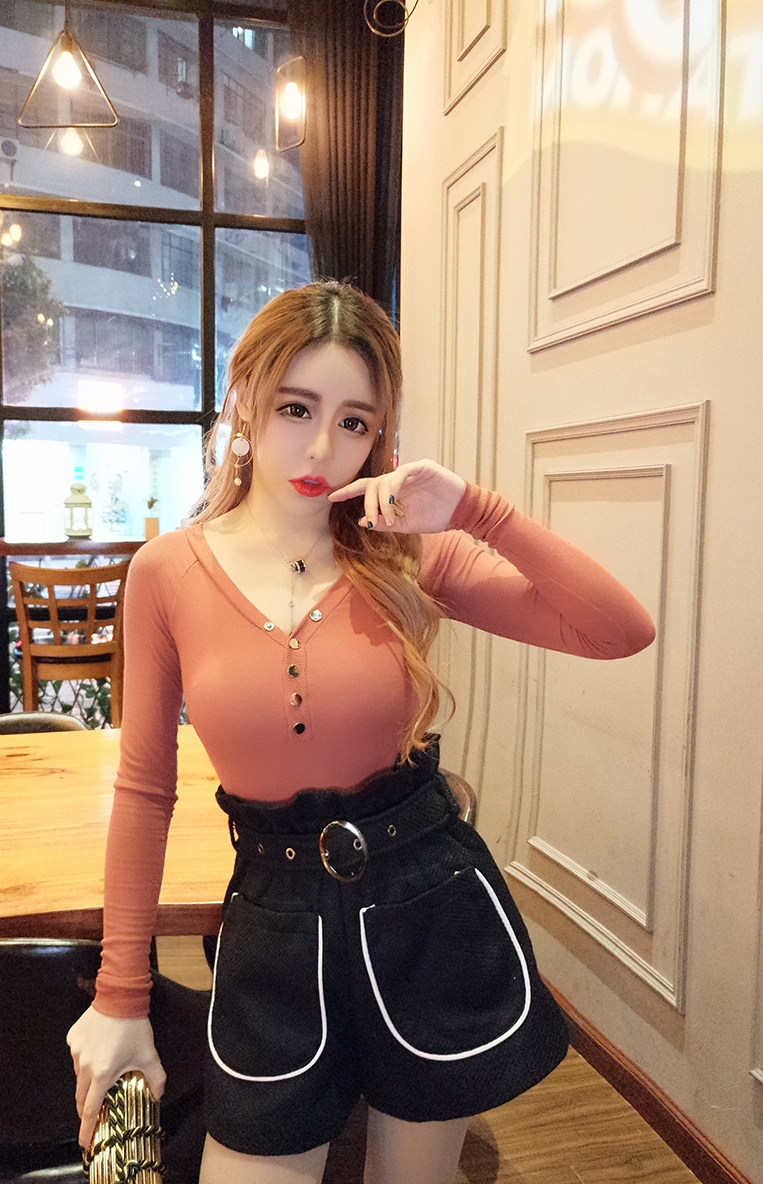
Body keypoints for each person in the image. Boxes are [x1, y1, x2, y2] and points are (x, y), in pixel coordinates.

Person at [68, 281, 655, 1184]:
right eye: (296, 408)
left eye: (355, 423)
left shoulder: (407, 556)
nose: (322, 449)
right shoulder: (167, 572)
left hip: (425, 904)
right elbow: (146, 790)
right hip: (274, 919)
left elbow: (618, 630)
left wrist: (476, 510)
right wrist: (121, 996)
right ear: (245, 399)